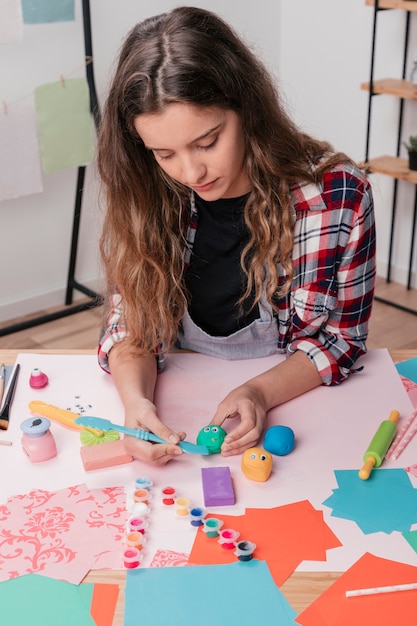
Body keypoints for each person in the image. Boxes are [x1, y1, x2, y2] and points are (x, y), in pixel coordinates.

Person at [96, 6, 376, 466]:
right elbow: (132, 325)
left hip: (296, 411)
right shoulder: (149, 191)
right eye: (164, 152)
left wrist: (259, 392)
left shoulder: (337, 197)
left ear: (246, 108)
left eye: (207, 142)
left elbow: (341, 341)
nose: (191, 172)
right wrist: (136, 404)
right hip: (183, 400)